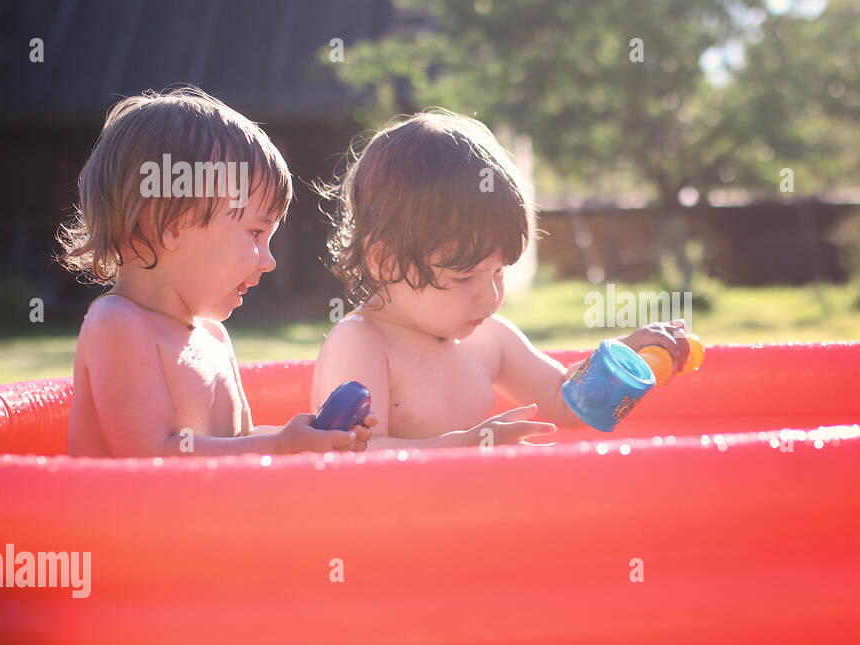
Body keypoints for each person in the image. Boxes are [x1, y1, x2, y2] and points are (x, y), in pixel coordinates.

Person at [313, 109, 689, 448]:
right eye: (464, 277)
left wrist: (623, 357)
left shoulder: (490, 338)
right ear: (386, 261)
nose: (490, 295)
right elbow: (349, 455)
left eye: (499, 271)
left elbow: (564, 400)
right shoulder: (362, 342)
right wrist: (464, 447)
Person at [59, 86, 375, 457]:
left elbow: (238, 445)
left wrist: (313, 440)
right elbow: (149, 458)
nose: (268, 260)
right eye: (256, 234)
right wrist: (278, 447)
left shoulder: (214, 337)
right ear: (172, 226)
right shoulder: (117, 324)